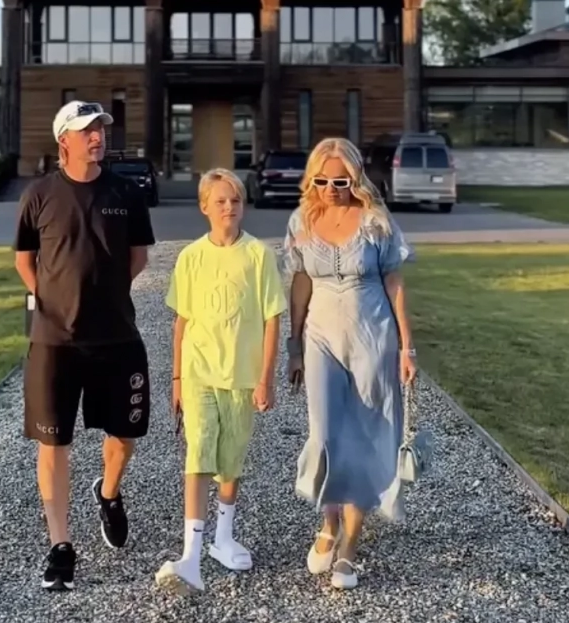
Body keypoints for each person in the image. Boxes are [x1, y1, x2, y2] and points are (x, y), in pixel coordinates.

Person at [13, 100, 156, 592]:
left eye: (101, 128)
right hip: (55, 341)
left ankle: (109, 493)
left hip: (117, 335)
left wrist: (105, 297)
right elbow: (25, 259)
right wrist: (52, 302)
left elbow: (138, 258)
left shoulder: (126, 192)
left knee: (125, 435)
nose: (98, 136)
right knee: (54, 442)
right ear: (64, 141)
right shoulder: (39, 194)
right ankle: (61, 547)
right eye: (87, 130)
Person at [282, 137, 417, 591]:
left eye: (341, 182)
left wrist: (407, 347)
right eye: (322, 181)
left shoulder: (377, 221)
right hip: (320, 337)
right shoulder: (302, 220)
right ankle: (329, 521)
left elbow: (394, 281)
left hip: (372, 337)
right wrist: (294, 345)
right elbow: (301, 282)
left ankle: (350, 545)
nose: (331, 189)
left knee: (362, 436)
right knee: (324, 434)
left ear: (355, 179)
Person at [155, 168, 286, 595]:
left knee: (231, 460)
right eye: (221, 201)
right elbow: (181, 322)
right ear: (204, 207)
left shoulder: (258, 256)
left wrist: (266, 379)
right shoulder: (191, 257)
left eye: (235, 200)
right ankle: (190, 554)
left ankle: (223, 538)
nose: (229, 207)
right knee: (199, 453)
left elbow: (272, 320)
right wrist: (177, 377)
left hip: (241, 376)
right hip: (199, 373)